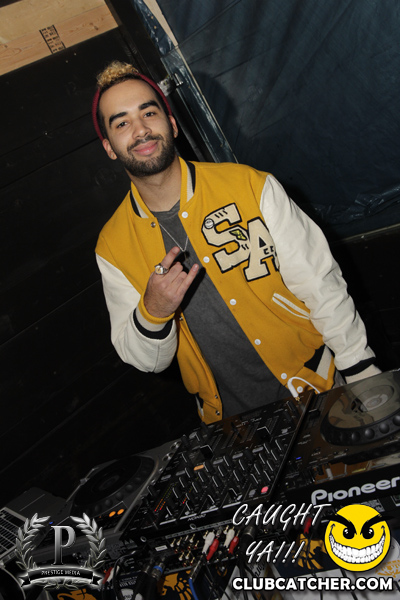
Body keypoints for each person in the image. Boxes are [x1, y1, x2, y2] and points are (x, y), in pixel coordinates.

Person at [93, 61, 380, 424]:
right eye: (121, 123)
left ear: (172, 124)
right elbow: (147, 361)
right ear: (109, 148)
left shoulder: (250, 185)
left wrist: (360, 370)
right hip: (230, 425)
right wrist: (153, 311)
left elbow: (320, 284)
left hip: (318, 389)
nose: (140, 130)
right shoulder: (112, 245)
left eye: (149, 112)